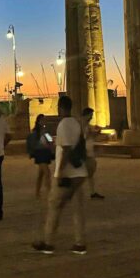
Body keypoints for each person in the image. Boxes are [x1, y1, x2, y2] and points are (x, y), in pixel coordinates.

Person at [34, 95, 87, 255]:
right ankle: (80, 244)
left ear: (60, 108)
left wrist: (60, 173)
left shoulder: (63, 125)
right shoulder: (76, 123)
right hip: (80, 172)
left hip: (68, 173)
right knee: (78, 210)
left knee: (54, 206)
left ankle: (48, 243)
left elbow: (65, 150)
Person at [27, 114, 54, 199]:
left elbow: (50, 140)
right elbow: (33, 144)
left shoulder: (45, 131)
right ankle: (49, 192)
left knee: (41, 174)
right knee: (47, 172)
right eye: (42, 120)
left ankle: (37, 192)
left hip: (45, 153)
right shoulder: (35, 132)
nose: (44, 122)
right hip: (40, 154)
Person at [81, 107, 104, 199]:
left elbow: (90, 136)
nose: (91, 117)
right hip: (85, 152)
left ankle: (92, 192)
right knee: (87, 172)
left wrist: (96, 132)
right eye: (91, 115)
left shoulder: (87, 126)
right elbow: (83, 138)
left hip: (88, 151)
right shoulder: (82, 125)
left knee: (90, 172)